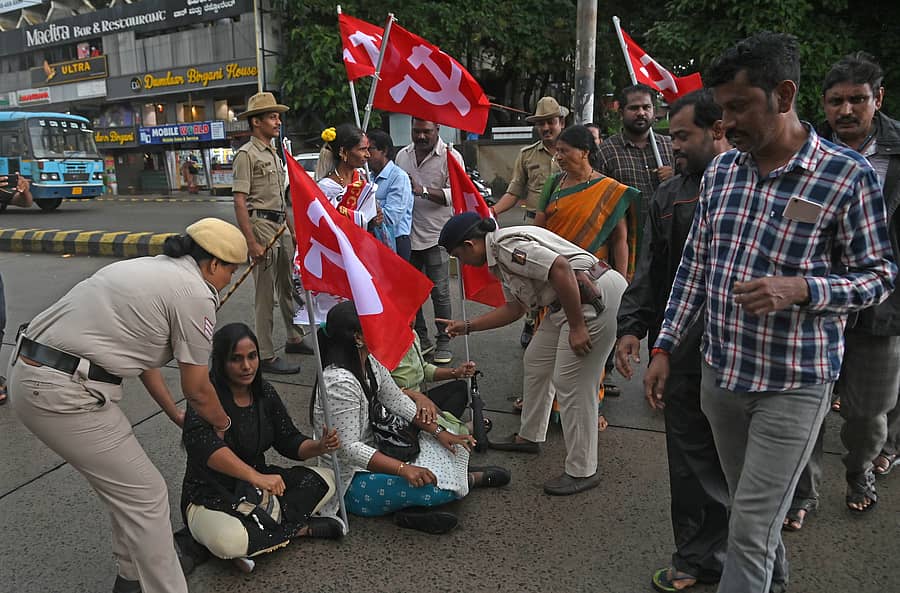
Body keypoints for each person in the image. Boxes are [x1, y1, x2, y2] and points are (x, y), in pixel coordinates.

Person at [643, 32, 896, 593]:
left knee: (751, 527)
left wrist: (803, 288)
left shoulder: (847, 175)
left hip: (795, 383)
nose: (726, 123)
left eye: (738, 107)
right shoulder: (723, 172)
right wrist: (664, 345)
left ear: (783, 95)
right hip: (722, 375)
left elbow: (880, 277)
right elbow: (695, 269)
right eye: (722, 109)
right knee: (751, 512)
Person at [7, 218, 249, 593]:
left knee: (130, 490)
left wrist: (173, 412)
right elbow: (199, 387)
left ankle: (132, 578)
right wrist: (223, 425)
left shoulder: (155, 269)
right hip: (62, 391)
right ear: (214, 263)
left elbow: (144, 359)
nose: (231, 279)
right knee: (147, 494)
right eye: (231, 270)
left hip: (46, 378)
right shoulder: (193, 292)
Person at [615, 90, 731, 592]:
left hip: (744, 352)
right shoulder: (668, 195)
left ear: (719, 130)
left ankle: (744, 559)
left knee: (741, 463)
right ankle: (693, 555)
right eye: (672, 135)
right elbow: (651, 270)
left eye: (682, 136)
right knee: (687, 460)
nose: (673, 145)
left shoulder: (752, 184)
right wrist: (632, 329)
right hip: (681, 347)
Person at [437, 213, 627, 495]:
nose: (461, 263)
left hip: (593, 297)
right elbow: (515, 309)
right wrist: (467, 326)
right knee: (537, 360)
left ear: (470, 244)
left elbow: (561, 269)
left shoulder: (505, 246)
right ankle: (530, 435)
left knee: (572, 384)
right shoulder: (499, 260)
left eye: (458, 255)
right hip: (569, 301)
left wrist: (577, 327)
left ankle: (582, 470)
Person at [789, 52, 900, 520]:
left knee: (867, 413)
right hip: (814, 303)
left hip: (882, 306)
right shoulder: (805, 152)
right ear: (824, 103)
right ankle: (803, 494)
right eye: (836, 101)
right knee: (806, 407)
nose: (847, 111)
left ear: (878, 98)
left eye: (858, 99)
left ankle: (860, 470)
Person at [312, 301, 510, 534]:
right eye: (376, 323)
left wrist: (440, 432)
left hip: (382, 447)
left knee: (452, 439)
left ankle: (454, 480)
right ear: (358, 338)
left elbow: (399, 402)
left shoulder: (370, 363)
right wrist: (403, 470)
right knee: (433, 487)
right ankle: (464, 483)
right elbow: (349, 449)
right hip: (351, 480)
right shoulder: (338, 382)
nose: (385, 327)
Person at [180, 323, 343, 572]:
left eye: (252, 356)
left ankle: (258, 541)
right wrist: (257, 477)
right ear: (221, 362)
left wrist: (318, 447)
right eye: (236, 359)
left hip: (257, 489)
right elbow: (208, 451)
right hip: (210, 493)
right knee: (227, 540)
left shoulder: (264, 392)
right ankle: (293, 531)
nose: (247, 366)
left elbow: (289, 440)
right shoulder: (205, 398)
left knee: (327, 480)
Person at [533, 123, 639, 430]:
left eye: (565, 151)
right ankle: (548, 407)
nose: (559, 156)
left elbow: (620, 240)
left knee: (588, 354)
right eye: (557, 151)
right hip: (554, 278)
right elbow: (539, 230)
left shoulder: (610, 190)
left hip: (594, 281)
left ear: (585, 152)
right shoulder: (553, 184)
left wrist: (622, 283)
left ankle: (592, 406)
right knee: (552, 348)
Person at [596, 83, 675, 397]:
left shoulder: (669, 148)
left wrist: (676, 176)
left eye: (646, 107)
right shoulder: (607, 151)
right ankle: (605, 372)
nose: (641, 113)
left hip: (666, 248)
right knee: (617, 310)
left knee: (664, 313)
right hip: (623, 249)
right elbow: (598, 199)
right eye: (634, 108)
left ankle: (662, 377)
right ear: (622, 111)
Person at [232, 92, 306, 374]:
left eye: (278, 116)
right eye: (272, 116)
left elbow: (279, 198)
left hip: (279, 226)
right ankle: (264, 354)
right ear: (256, 122)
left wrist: (291, 229)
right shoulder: (246, 155)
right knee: (265, 295)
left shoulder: (274, 153)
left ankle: (294, 337)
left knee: (287, 286)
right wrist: (251, 242)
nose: (278, 121)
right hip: (260, 227)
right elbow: (240, 201)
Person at [491, 97, 567, 348]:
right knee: (534, 276)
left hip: (568, 224)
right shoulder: (527, 155)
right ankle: (531, 319)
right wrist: (492, 210)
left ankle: (566, 324)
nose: (546, 128)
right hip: (536, 226)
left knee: (565, 276)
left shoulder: (574, 151)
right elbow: (514, 192)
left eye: (551, 122)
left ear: (561, 122)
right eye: (541, 123)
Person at [395, 118, 464, 364]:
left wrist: (421, 190)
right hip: (406, 234)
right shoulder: (403, 155)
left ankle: (444, 340)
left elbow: (455, 194)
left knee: (440, 292)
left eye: (426, 131)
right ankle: (420, 339)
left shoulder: (451, 156)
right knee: (410, 293)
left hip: (438, 236)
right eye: (416, 131)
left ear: (438, 130)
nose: (421, 136)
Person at [367, 128, 414, 260]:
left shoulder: (399, 177)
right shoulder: (369, 177)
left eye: (370, 149)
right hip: (376, 240)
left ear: (384, 150)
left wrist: (369, 210)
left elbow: (392, 217)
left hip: (396, 241)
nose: (366, 154)